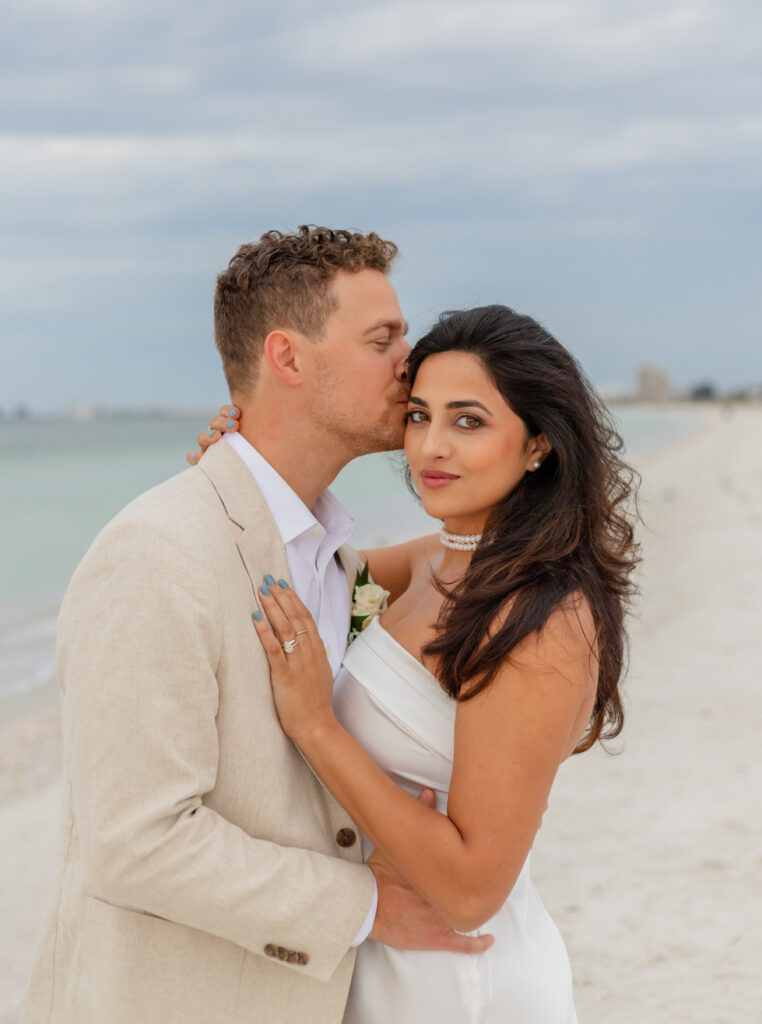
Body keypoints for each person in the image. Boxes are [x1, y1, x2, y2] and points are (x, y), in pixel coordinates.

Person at [22, 227, 491, 1024]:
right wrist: (364, 905)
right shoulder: (156, 554)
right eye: (384, 339)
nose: (410, 361)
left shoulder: (334, 560)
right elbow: (137, 843)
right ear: (287, 358)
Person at [199, 304, 639, 1022]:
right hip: (381, 954)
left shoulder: (539, 619)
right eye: (419, 416)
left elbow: (471, 890)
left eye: (469, 421)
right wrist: (241, 471)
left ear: (537, 446)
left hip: (462, 980)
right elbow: (280, 575)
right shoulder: (437, 560)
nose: (430, 447)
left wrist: (317, 726)